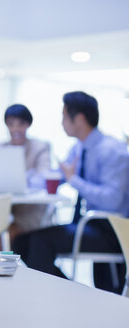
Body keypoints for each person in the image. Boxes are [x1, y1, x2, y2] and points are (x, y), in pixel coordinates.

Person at [12, 91, 129, 293]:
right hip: (89, 224)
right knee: (22, 242)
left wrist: (75, 180)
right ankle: (73, 293)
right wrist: (21, 178)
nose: (62, 122)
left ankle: (70, 295)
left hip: (112, 230)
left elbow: (113, 200)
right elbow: (58, 176)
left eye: (64, 116)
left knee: (40, 242)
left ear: (80, 119)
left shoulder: (112, 150)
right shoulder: (79, 148)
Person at [0, 104, 52, 241]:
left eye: (20, 124)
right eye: (11, 124)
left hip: (29, 208)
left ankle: (0, 262)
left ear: (28, 124)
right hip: (3, 206)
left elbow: (42, 176)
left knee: (6, 236)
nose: (16, 129)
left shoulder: (40, 147)